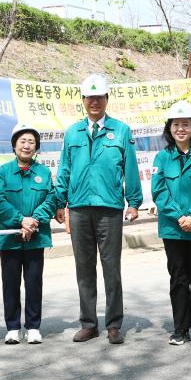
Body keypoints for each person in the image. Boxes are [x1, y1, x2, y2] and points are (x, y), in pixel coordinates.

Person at [55, 74, 142, 344]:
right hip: (79, 208)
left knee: (111, 267)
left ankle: (114, 324)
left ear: (107, 99)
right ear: (82, 101)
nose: (94, 102)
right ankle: (89, 323)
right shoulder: (72, 132)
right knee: (84, 268)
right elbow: (64, 169)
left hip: (109, 208)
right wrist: (60, 202)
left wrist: (134, 202)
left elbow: (130, 168)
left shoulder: (121, 130)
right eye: (89, 98)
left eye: (99, 97)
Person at [150, 100, 191, 347]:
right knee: (178, 278)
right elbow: (159, 191)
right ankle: (180, 328)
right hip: (173, 229)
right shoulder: (162, 157)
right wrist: (179, 216)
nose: (180, 129)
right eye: (176, 124)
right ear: (169, 128)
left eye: (185, 124)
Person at [0, 124, 57, 345]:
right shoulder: (2, 172)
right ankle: (12, 327)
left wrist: (33, 220)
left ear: (36, 147)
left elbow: (51, 199)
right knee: (10, 284)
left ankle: (33, 327)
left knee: (34, 283)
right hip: (11, 239)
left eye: (31, 142)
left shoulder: (44, 173)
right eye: (22, 141)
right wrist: (21, 220)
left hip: (35, 238)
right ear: (14, 145)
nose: (27, 146)